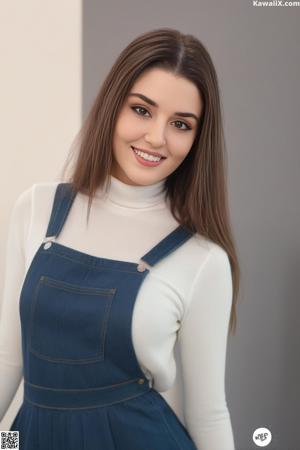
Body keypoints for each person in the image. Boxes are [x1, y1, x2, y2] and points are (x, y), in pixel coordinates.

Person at [0, 27, 240, 450]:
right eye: (142, 110)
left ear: (197, 138)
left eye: (180, 124)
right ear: (113, 105)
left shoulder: (203, 259)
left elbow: (209, 413)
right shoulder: (36, 209)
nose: (156, 138)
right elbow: (8, 359)